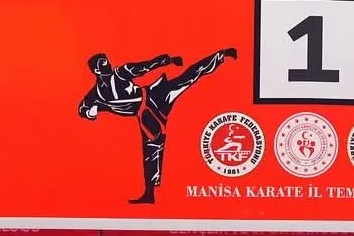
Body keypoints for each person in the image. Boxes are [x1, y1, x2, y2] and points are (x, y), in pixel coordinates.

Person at [79, 49, 238, 204]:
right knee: (151, 148)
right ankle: (149, 194)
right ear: (96, 70)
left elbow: (145, 66)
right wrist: (89, 112)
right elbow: (82, 108)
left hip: (155, 97)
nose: (108, 64)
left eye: (107, 61)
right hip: (145, 113)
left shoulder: (121, 73)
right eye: (103, 63)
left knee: (187, 78)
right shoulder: (97, 93)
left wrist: (168, 60)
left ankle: (221, 55)